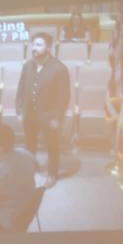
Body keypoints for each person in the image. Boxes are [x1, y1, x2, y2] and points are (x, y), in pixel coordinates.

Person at [15, 33, 70, 189]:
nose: (34, 48)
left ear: (48, 48)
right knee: (30, 144)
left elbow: (63, 97)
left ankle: (52, 174)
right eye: (33, 44)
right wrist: (19, 110)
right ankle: (30, 167)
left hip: (49, 116)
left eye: (39, 45)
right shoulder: (27, 66)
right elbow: (21, 89)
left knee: (52, 146)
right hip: (29, 114)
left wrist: (57, 118)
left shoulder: (59, 68)